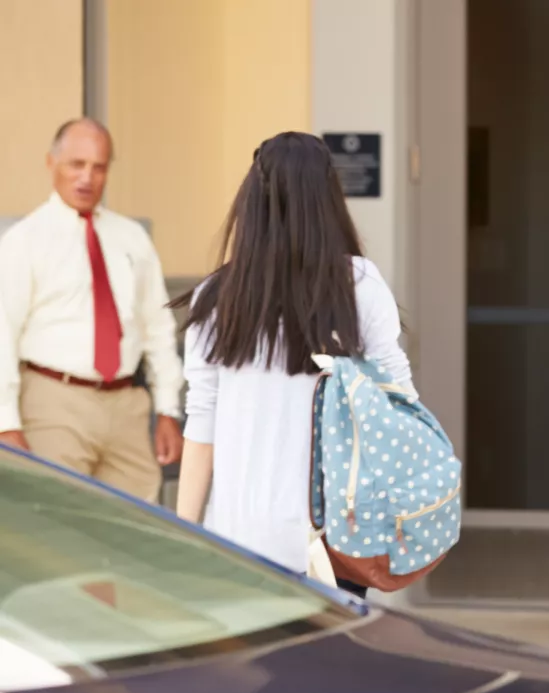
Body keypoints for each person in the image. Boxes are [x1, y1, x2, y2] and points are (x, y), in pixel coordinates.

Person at [173, 132, 410, 594]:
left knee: (248, 666)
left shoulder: (215, 298)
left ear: (252, 201)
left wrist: (185, 532)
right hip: (333, 542)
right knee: (327, 667)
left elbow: (202, 428)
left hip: (236, 541)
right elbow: (399, 406)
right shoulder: (359, 285)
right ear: (328, 198)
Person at [0, 119, 181, 500]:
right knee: (58, 525)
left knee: (140, 527)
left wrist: (168, 410)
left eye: (98, 167)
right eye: (76, 164)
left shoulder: (132, 238)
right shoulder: (23, 242)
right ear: (51, 164)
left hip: (127, 406)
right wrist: (5, 425)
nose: (87, 177)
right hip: (53, 402)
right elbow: (2, 335)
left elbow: (158, 327)